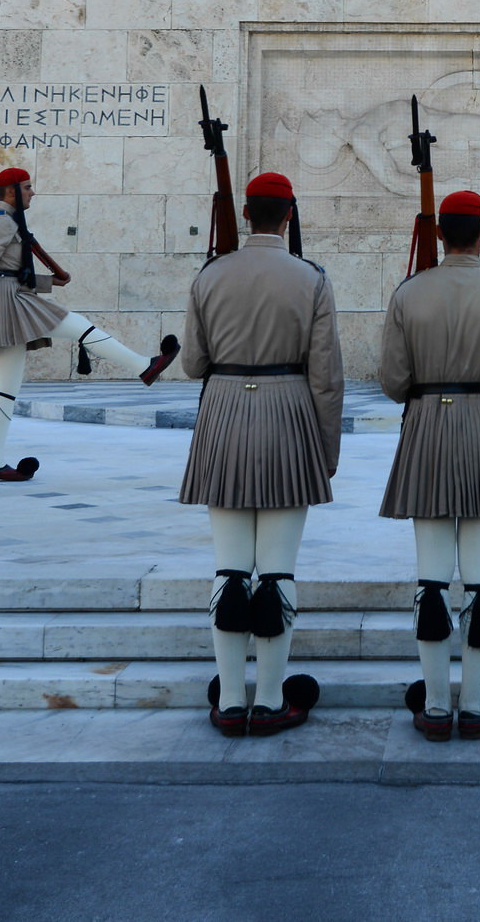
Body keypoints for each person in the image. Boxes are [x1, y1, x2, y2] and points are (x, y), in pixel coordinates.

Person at [175, 171, 343, 737]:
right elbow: (326, 378)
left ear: (246, 216)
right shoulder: (311, 279)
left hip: (223, 414)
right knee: (276, 569)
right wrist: (326, 449)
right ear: (288, 216)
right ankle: (269, 700)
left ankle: (227, 698)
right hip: (288, 415)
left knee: (229, 567)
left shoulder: (210, 275)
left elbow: (193, 366)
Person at [376, 190, 480, 741]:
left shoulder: (408, 294)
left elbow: (394, 384)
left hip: (427, 430)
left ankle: (436, 706)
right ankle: (474, 703)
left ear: (441, 234)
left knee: (430, 578)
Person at [0, 166, 68, 482]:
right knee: (76, 326)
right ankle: (143, 366)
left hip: (12, 299)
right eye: (28, 187)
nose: (33, 192)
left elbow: (13, 271)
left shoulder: (10, 222)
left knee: (5, 390)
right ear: (12, 191)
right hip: (7, 306)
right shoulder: (2, 222)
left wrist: (51, 282)